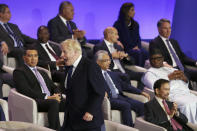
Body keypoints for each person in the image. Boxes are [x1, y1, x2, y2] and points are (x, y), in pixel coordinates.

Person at [13, 47, 65, 130]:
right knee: (53, 103)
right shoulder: (19, 72)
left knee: (69, 102)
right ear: (24, 58)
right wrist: (47, 97)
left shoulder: (42, 72)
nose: (33, 59)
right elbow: (25, 91)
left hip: (51, 99)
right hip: (36, 100)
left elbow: (54, 87)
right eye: (30, 56)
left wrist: (57, 95)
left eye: (35, 56)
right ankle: (54, 129)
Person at [59, 39, 105, 131]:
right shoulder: (68, 68)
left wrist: (90, 111)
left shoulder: (90, 66)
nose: (61, 55)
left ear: (75, 52)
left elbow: (99, 92)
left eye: (64, 52)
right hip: (71, 120)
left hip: (87, 122)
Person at [95, 50, 150, 127]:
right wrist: (101, 92)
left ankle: (140, 127)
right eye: (106, 60)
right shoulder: (94, 75)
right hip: (109, 99)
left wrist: (140, 92)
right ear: (98, 62)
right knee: (126, 105)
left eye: (109, 60)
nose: (109, 62)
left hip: (120, 97)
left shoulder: (111, 73)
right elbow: (92, 88)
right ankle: (129, 128)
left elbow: (124, 86)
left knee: (141, 105)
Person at [142, 48, 197, 124]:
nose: (155, 61)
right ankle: (191, 126)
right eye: (153, 59)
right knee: (188, 105)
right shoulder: (149, 74)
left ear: (163, 59)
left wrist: (184, 79)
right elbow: (155, 86)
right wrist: (169, 77)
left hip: (185, 93)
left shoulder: (169, 69)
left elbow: (184, 84)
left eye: (158, 58)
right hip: (172, 96)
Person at [149, 18, 197, 83]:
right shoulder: (155, 43)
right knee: (184, 79)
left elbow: (183, 57)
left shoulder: (174, 42)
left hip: (183, 69)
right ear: (159, 29)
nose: (168, 31)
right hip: (172, 70)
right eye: (165, 28)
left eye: (170, 28)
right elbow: (157, 59)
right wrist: (167, 66)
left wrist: (195, 62)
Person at [113, 2, 148, 67]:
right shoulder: (118, 24)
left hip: (135, 48)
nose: (134, 12)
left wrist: (138, 46)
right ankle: (138, 72)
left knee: (145, 52)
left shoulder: (135, 24)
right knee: (138, 53)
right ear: (125, 11)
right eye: (132, 10)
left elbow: (138, 38)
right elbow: (118, 39)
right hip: (125, 49)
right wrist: (131, 48)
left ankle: (144, 71)